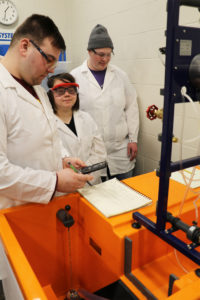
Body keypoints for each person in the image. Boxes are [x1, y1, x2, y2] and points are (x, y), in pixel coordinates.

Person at [0, 14, 93, 209]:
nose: (52, 70)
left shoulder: (39, 90)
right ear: (25, 46)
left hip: (44, 208)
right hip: (12, 212)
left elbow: (48, 138)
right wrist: (54, 182)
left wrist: (63, 160)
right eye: (48, 60)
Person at [71, 24, 139, 181]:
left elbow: (131, 107)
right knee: (95, 195)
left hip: (120, 149)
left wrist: (133, 139)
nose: (105, 59)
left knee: (126, 191)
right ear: (89, 51)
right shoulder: (75, 76)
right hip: (90, 150)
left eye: (109, 54)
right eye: (101, 54)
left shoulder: (120, 76)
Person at [47, 73, 107, 185]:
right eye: (60, 91)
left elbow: (99, 151)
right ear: (51, 94)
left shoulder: (86, 118)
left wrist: (85, 172)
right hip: (64, 184)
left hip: (92, 180)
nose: (67, 94)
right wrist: (74, 175)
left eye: (71, 90)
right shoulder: (46, 122)